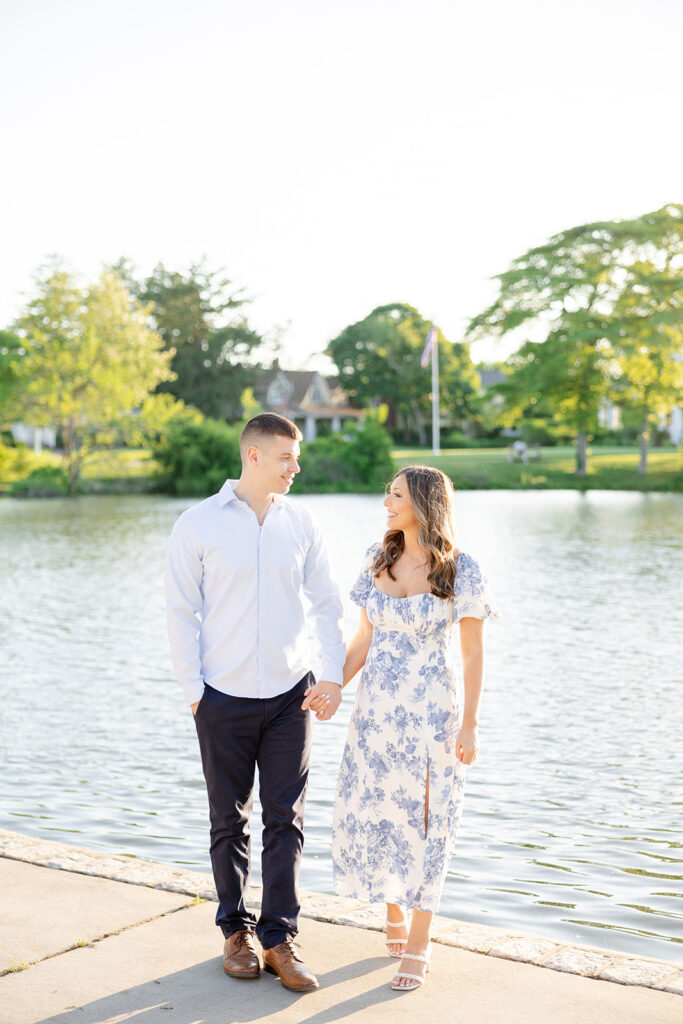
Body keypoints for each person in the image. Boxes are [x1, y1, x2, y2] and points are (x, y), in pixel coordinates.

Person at [165, 412, 345, 993]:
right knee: (228, 821)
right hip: (222, 696)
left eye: (297, 458)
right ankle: (234, 932)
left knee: (286, 820)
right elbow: (179, 613)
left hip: (292, 696)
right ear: (254, 457)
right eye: (288, 458)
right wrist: (195, 692)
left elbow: (327, 603)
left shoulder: (304, 522)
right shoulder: (197, 525)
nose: (297, 467)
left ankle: (279, 938)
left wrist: (335, 676)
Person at [331, 465, 499, 992]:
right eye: (388, 492)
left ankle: (421, 942)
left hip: (433, 712)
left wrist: (470, 724)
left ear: (423, 503)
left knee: (429, 821)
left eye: (396, 494)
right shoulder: (377, 558)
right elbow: (362, 639)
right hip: (376, 710)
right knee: (383, 808)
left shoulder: (460, 569)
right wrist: (332, 684)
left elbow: (473, 655)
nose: (386, 501)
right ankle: (393, 911)